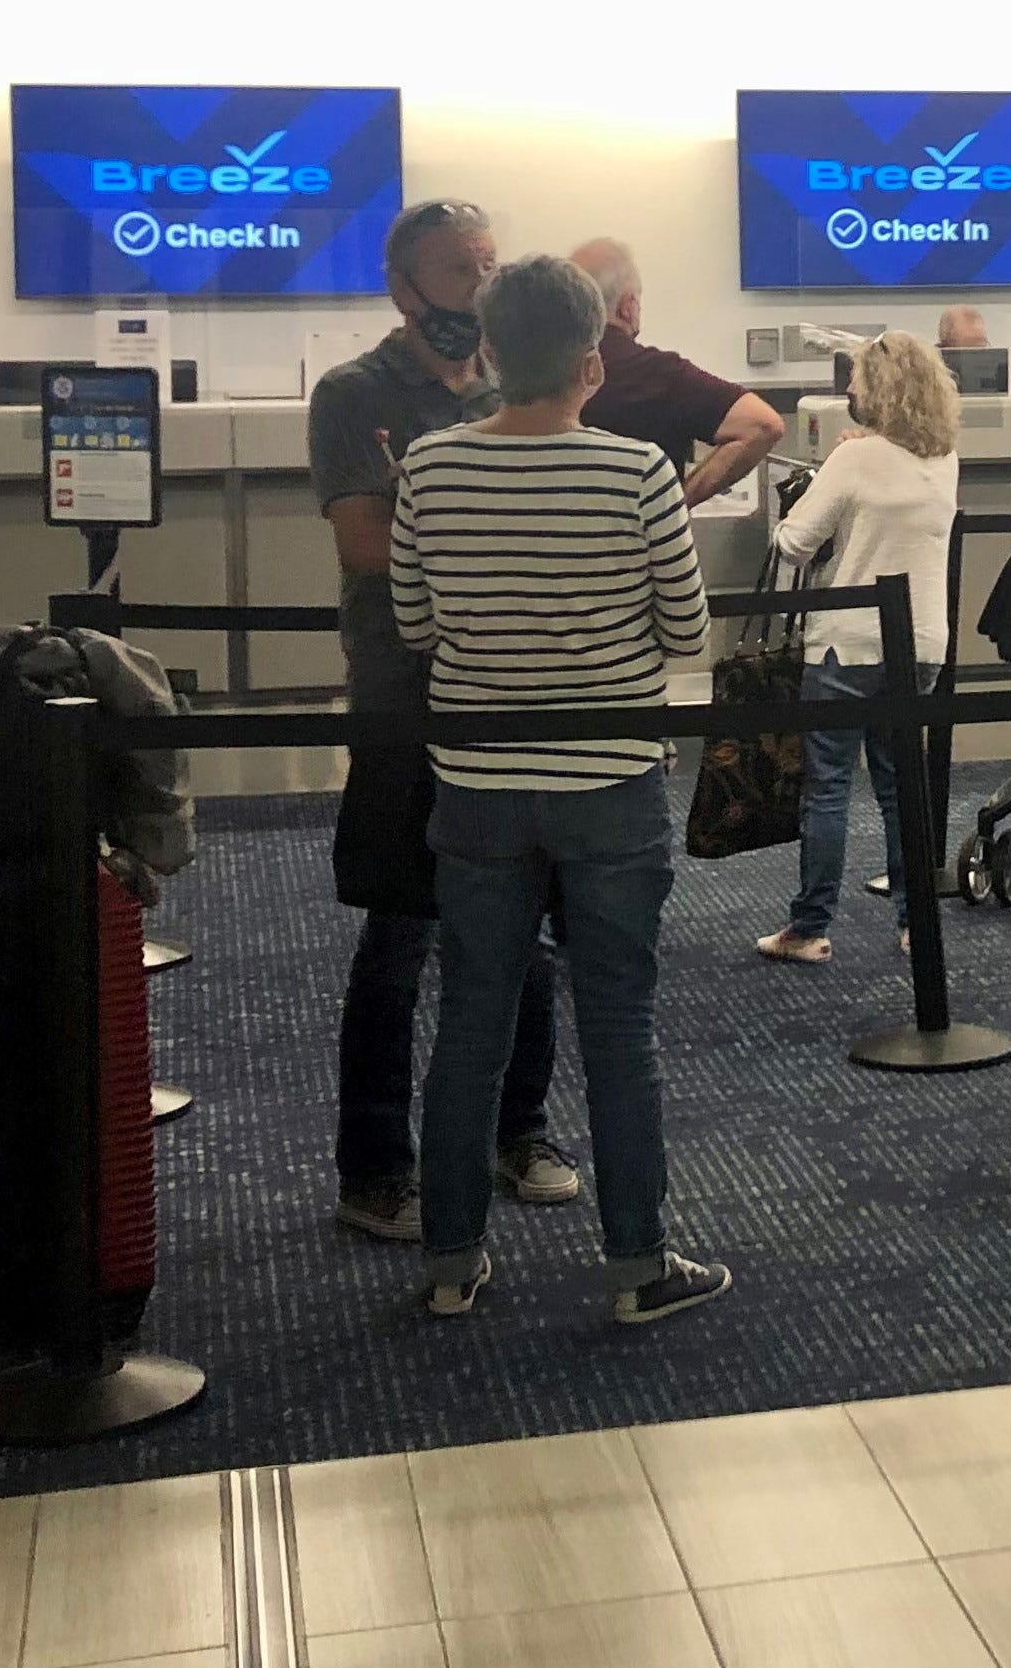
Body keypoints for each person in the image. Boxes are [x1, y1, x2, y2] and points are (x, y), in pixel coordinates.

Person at [394, 255, 727, 1324]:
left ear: (489, 353)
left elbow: (416, 627)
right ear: (592, 360)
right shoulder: (635, 474)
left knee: (471, 1020)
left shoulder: (433, 469)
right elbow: (687, 634)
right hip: (611, 781)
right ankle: (639, 1266)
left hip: (480, 782)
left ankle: (450, 1263)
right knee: (620, 1027)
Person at [307, 199, 579, 1241]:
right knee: (400, 935)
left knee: (530, 930)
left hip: (515, 696)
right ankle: (376, 1164)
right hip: (405, 697)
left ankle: (523, 1130)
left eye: (490, 263)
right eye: (461, 269)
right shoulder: (356, 394)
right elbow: (366, 547)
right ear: (404, 287)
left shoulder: (520, 387)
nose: (481, 283)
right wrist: (505, 542)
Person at [757, 333, 960, 959]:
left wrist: (818, 481)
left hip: (848, 642)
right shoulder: (946, 456)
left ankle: (811, 927)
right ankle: (913, 921)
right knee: (902, 787)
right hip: (923, 643)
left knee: (828, 787)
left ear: (877, 390)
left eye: (855, 382)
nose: (847, 391)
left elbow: (793, 542)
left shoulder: (853, 459)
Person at [569, 236, 785, 503]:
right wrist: (677, 503)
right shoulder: (659, 374)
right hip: (646, 540)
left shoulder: (539, 371)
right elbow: (763, 425)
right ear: (627, 306)